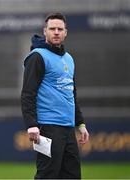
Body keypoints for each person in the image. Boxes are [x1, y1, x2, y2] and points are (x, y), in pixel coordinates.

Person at [21, 12, 89, 179]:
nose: (56, 32)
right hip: (47, 128)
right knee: (48, 175)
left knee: (72, 175)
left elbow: (71, 93)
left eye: (60, 29)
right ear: (45, 31)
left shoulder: (69, 59)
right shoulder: (37, 56)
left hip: (68, 128)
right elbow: (28, 93)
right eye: (52, 29)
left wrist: (80, 123)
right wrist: (31, 124)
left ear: (66, 32)